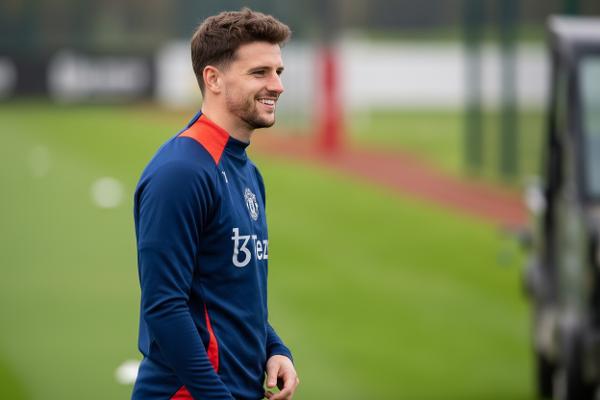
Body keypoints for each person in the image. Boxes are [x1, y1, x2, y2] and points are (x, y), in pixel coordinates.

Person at [131, 9, 299, 400]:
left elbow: (230, 293)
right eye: (259, 73)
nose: (277, 85)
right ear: (213, 79)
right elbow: (164, 307)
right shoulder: (182, 171)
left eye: (278, 72)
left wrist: (274, 348)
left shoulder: (246, 170)